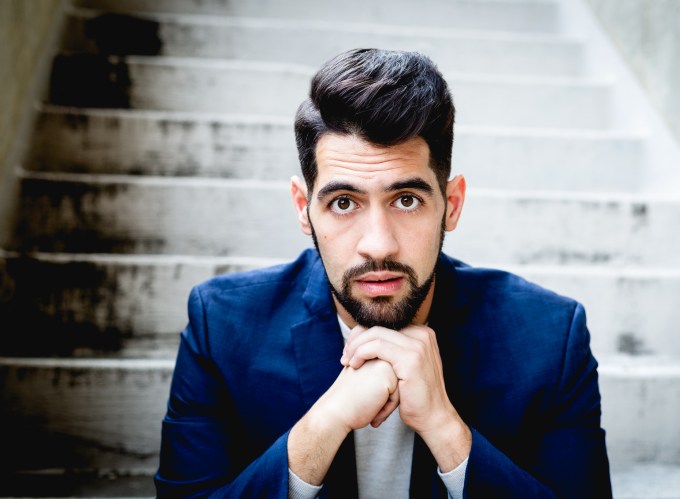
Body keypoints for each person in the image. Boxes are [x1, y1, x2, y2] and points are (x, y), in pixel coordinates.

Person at [155, 48, 612, 498]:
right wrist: (323, 426)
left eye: (406, 200)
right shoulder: (223, 326)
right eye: (343, 203)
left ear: (451, 205)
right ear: (303, 209)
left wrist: (446, 430)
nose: (378, 244)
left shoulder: (549, 338)